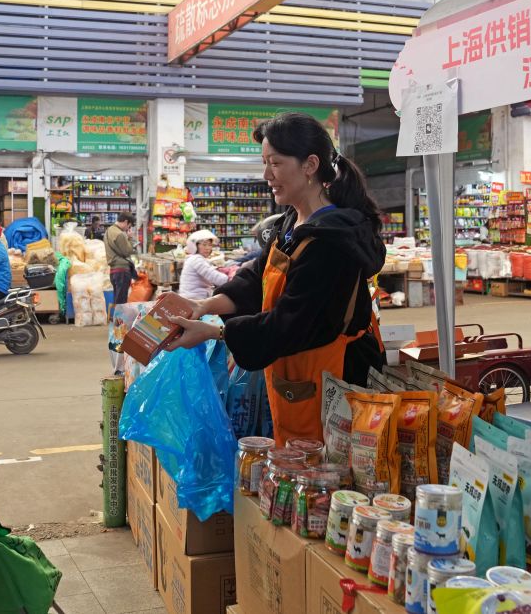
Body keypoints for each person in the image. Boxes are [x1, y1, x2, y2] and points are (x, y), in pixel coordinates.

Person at [165, 111, 386, 445]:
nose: (266, 174)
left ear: (310, 165)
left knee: (325, 464)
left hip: (337, 383)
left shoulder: (331, 242)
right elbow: (258, 278)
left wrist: (215, 332)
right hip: (298, 377)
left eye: (276, 163)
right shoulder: (291, 222)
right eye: (264, 162)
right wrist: (202, 305)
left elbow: (291, 324)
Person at [178, 230, 230, 300]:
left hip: (196, 297)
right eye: (204, 245)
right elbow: (214, 277)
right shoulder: (196, 260)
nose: (207, 248)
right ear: (195, 246)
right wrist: (230, 279)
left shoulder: (196, 258)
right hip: (194, 299)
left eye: (210, 245)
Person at [104, 211, 136, 307]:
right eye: (129, 226)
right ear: (126, 222)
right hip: (122, 270)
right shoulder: (120, 234)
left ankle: (116, 316)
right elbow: (127, 252)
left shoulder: (109, 230)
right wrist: (130, 238)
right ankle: (119, 317)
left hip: (114, 270)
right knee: (121, 303)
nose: (128, 229)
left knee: (118, 299)